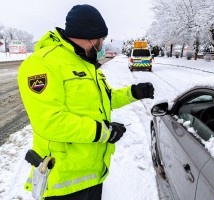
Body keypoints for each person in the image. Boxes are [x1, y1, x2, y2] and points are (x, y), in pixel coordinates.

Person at [18, 4, 154, 200]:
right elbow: (50, 122)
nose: (102, 45)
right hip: (63, 183)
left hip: (93, 175)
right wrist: (104, 132)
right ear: (91, 37)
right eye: (102, 40)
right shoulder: (42, 63)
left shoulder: (85, 63)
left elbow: (104, 100)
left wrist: (134, 92)